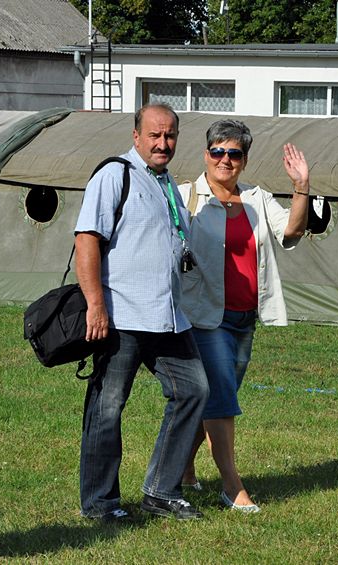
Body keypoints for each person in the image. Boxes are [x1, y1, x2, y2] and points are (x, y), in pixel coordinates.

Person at [74, 103, 209, 522]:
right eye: (154, 135)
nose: (162, 143)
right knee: (107, 407)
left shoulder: (168, 184)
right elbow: (86, 239)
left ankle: (161, 491)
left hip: (168, 316)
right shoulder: (115, 175)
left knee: (194, 391)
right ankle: (100, 503)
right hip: (122, 315)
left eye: (169, 135)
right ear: (136, 136)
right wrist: (96, 305)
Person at [178, 119, 310, 513]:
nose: (225, 160)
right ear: (206, 155)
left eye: (234, 153)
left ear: (244, 160)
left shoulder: (257, 198)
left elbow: (291, 231)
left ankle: (182, 467)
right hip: (205, 318)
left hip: (244, 318)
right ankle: (232, 488)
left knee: (214, 398)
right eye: (217, 151)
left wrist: (302, 186)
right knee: (221, 400)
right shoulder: (186, 197)